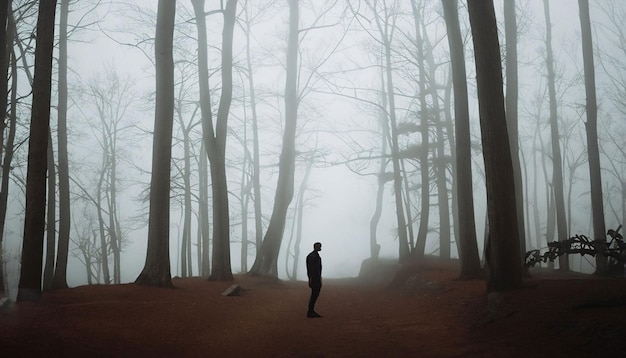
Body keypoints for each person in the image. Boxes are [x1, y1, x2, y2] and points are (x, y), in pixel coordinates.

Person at [306, 242, 323, 318]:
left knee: (315, 294)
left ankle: (311, 311)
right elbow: (311, 269)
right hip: (314, 278)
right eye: (319, 247)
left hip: (316, 277)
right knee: (314, 294)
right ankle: (310, 311)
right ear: (316, 247)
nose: (320, 248)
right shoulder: (313, 256)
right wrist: (311, 278)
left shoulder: (312, 256)